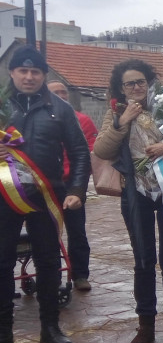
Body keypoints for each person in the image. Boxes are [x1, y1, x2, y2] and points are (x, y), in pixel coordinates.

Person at [94, 59, 163, 343]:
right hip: (135, 193)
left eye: (141, 81)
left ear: (149, 82)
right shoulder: (115, 112)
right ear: (122, 88)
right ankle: (145, 325)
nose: (137, 87)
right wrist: (122, 120)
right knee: (143, 260)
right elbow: (102, 149)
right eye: (130, 83)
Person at [0, 47, 90, 343]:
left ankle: (50, 328)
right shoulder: (0, 105)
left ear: (43, 75)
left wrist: (77, 190)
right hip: (4, 196)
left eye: (35, 72)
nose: (28, 77)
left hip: (47, 195)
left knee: (49, 262)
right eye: (22, 71)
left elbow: (79, 152)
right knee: (1, 262)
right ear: (12, 73)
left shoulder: (61, 109)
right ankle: (3, 331)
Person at [48, 81, 98, 292]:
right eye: (55, 93)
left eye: (64, 92)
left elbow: (90, 152)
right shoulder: (40, 120)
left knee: (77, 231)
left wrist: (79, 184)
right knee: (48, 233)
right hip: (45, 185)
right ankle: (51, 276)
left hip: (72, 185)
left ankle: (80, 275)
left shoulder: (83, 121)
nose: (61, 96)